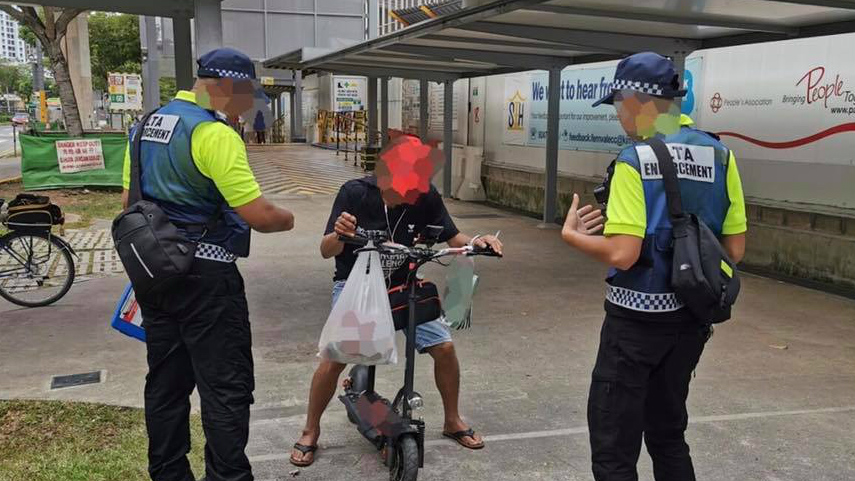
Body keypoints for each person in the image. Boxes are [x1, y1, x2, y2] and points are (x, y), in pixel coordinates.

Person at [561, 52, 747, 481]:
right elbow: (733, 250)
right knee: (667, 434)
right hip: (690, 322)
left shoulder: (634, 160)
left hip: (635, 325)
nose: (619, 117)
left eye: (618, 105)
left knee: (614, 445)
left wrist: (574, 236)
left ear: (636, 102)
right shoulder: (721, 156)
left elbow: (623, 254)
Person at [122, 47, 295, 481]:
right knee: (226, 388)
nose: (245, 104)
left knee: (166, 384)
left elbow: (130, 203)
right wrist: (287, 219)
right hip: (208, 281)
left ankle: (168, 473)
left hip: (157, 276)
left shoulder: (143, 127)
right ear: (224, 86)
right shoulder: (214, 134)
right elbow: (255, 213)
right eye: (243, 94)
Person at [289, 152, 504, 467]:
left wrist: (478, 241)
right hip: (356, 287)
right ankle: (310, 430)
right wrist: (339, 234)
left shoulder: (425, 196)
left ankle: (452, 420)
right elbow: (326, 251)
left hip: (404, 285)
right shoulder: (355, 193)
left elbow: (452, 236)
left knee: (444, 347)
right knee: (335, 358)